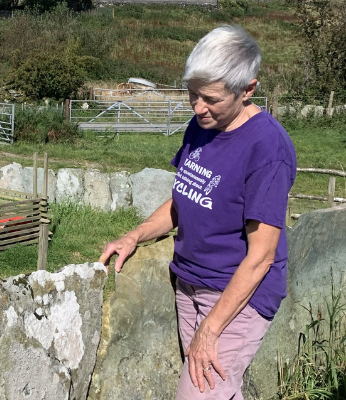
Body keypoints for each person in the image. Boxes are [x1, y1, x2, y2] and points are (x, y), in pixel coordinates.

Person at [99, 25, 296, 399]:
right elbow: (184, 198)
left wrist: (212, 328)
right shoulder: (203, 125)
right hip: (189, 283)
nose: (198, 107)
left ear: (248, 90)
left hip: (235, 296)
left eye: (211, 98)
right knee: (218, 392)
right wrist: (134, 236)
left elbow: (261, 256)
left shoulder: (268, 149)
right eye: (192, 94)